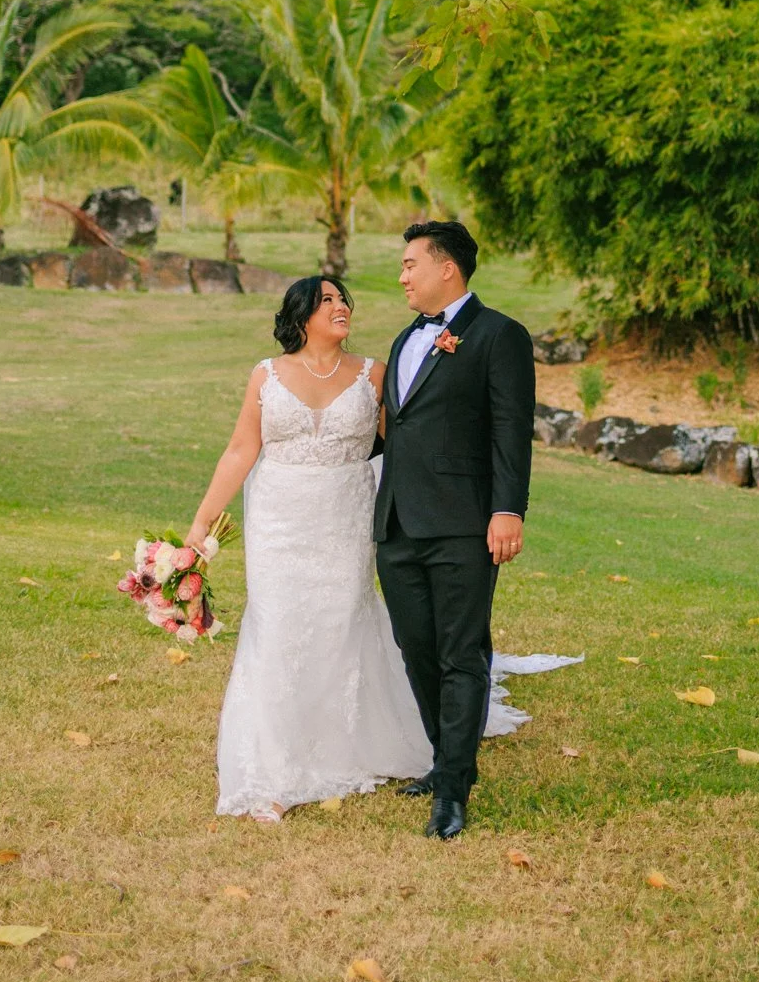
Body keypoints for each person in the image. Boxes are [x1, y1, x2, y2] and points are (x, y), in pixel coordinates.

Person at [187, 274, 430, 823]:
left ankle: (343, 743)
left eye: (344, 299)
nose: (341, 306)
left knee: (341, 619)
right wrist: (200, 525)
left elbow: (408, 446)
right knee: (277, 624)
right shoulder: (266, 376)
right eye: (328, 300)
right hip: (278, 517)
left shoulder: (374, 375)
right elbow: (239, 450)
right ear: (300, 315)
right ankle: (273, 766)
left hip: (344, 517)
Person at [375, 219, 536, 840]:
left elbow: (510, 430)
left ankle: (452, 787)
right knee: (416, 650)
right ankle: (446, 761)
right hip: (397, 523)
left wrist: (508, 509)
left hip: (465, 524)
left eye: (411, 263)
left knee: (460, 652)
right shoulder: (403, 339)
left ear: (448, 268)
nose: (403, 275)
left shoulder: (500, 335)